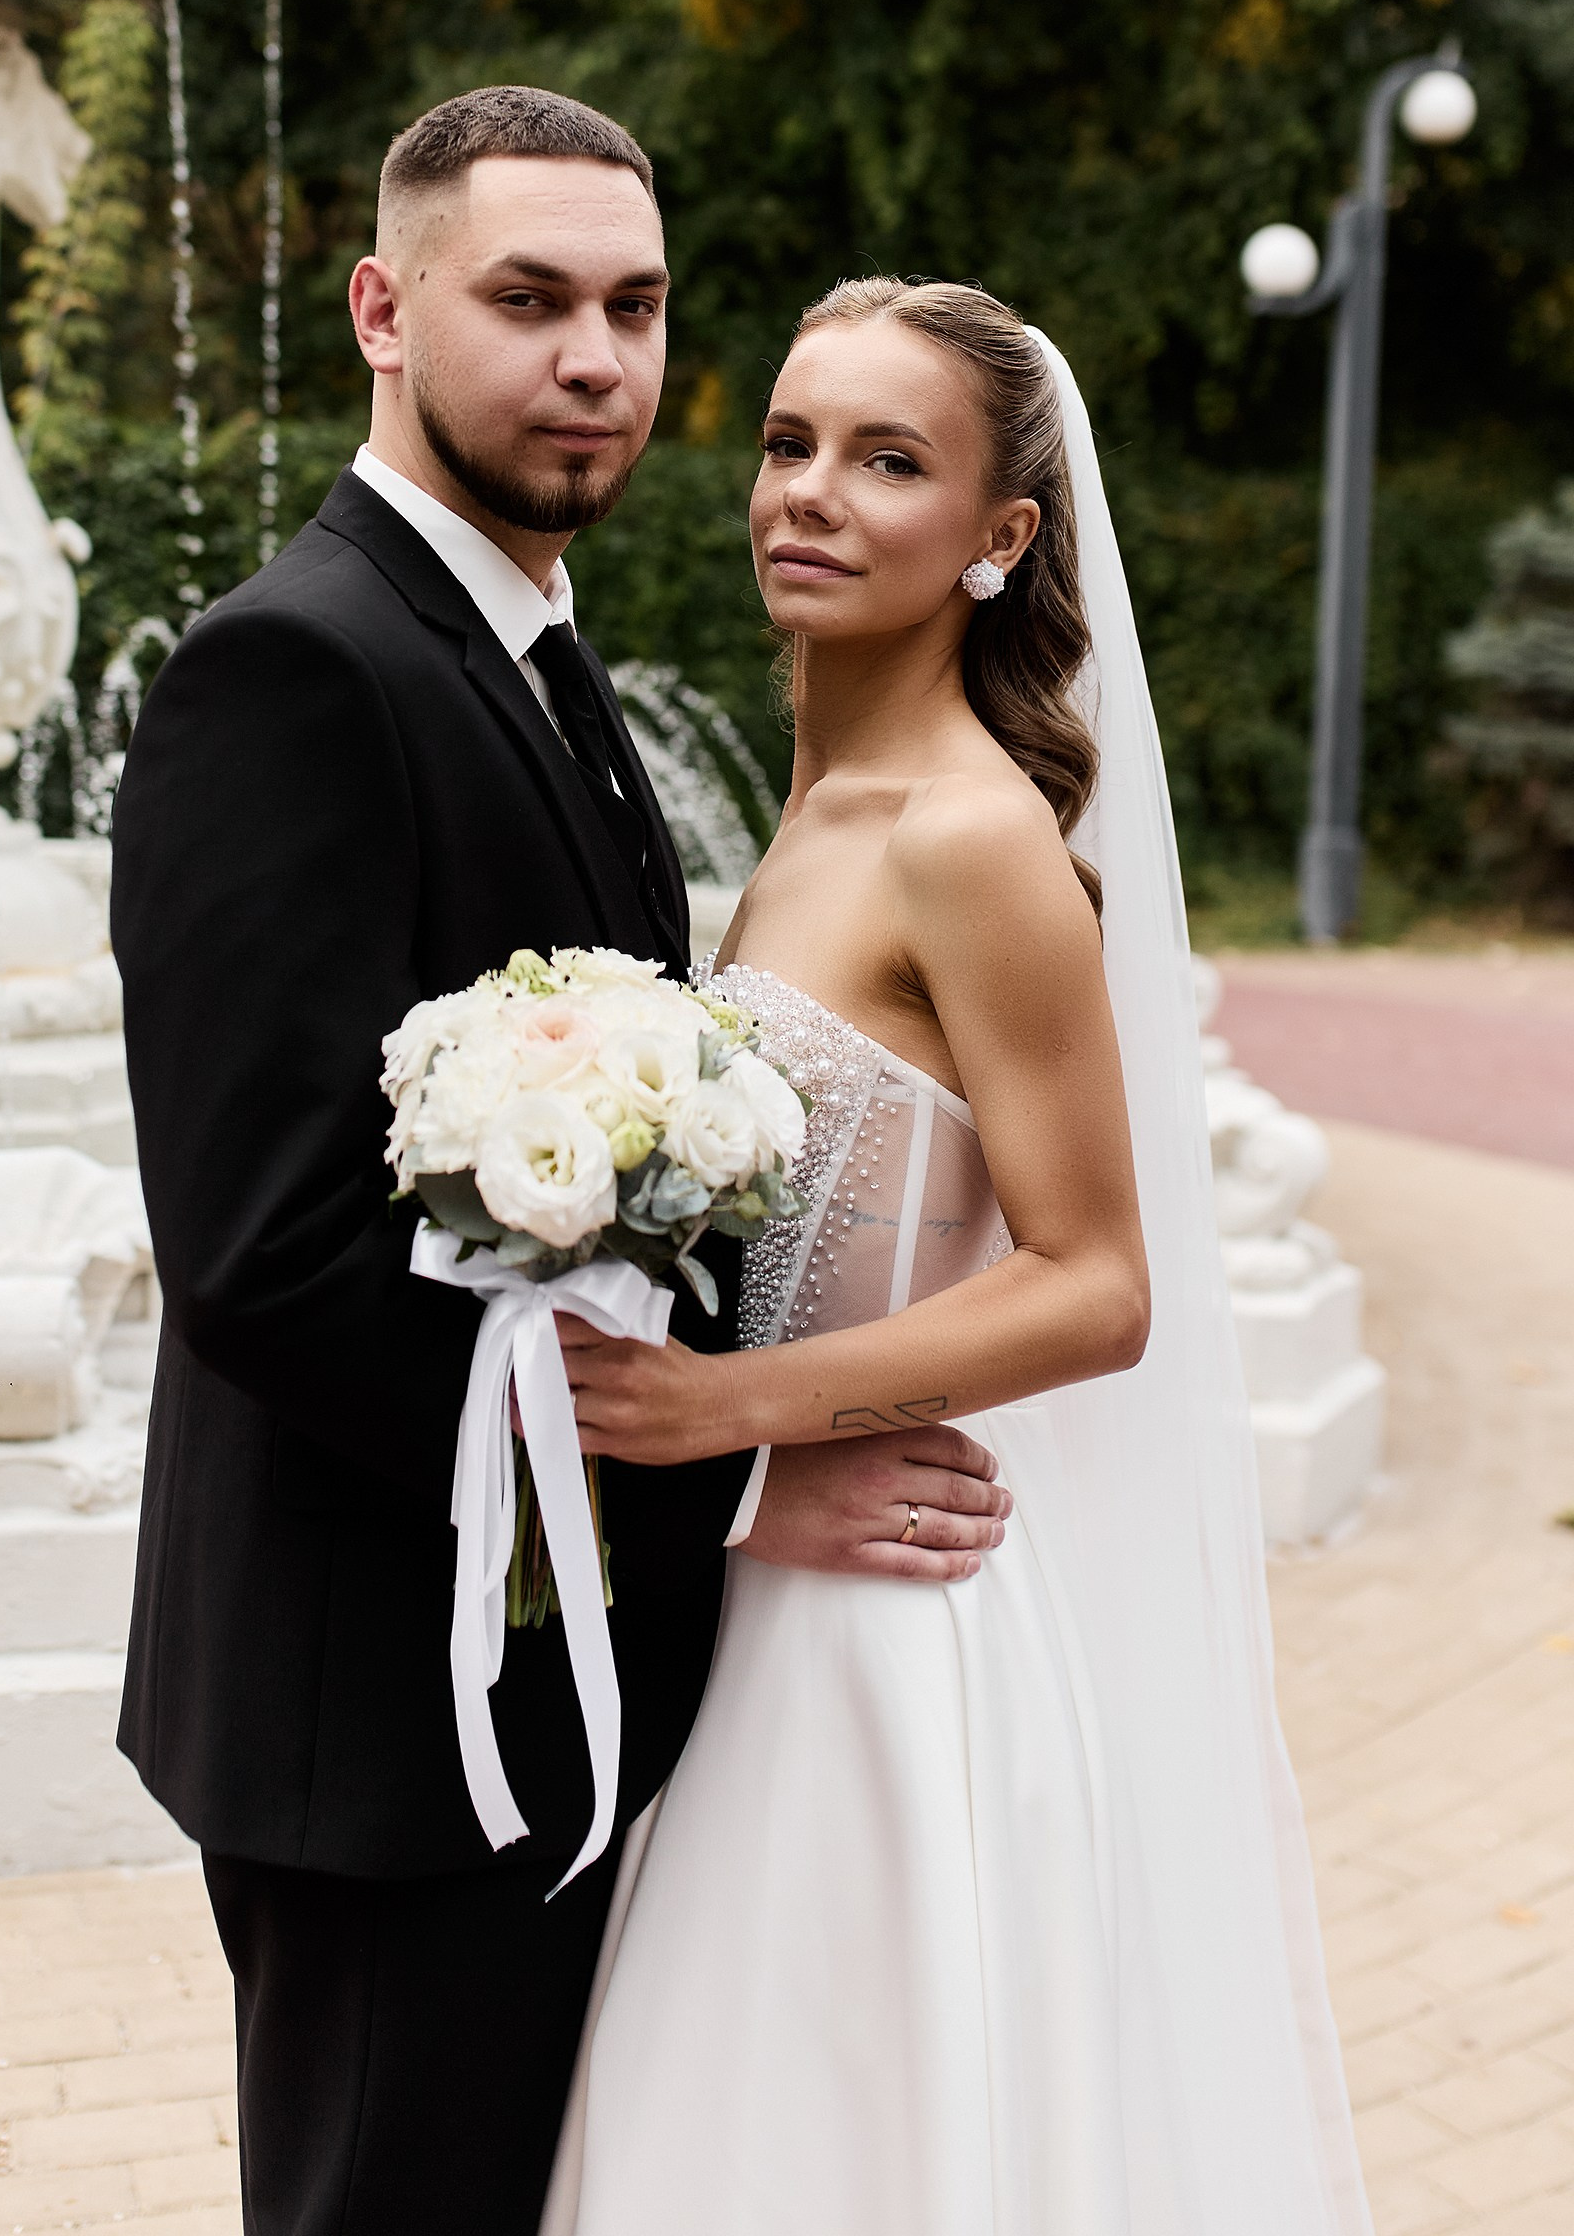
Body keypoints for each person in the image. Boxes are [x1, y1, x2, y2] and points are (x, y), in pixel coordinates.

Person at [109, 97, 1010, 2236]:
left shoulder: (530, 651)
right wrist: (727, 1471)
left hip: (528, 1679)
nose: (594, 357)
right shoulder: (293, 668)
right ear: (384, 310)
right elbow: (265, 1259)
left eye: (633, 304)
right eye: (526, 301)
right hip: (383, 1719)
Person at [545, 278, 1372, 2235]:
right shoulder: (815, 814)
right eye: (788, 441)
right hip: (762, 1591)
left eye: (886, 460)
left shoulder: (967, 841)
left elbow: (1098, 1280)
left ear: (1000, 538)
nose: (808, 496)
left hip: (884, 1639)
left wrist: (724, 1409)